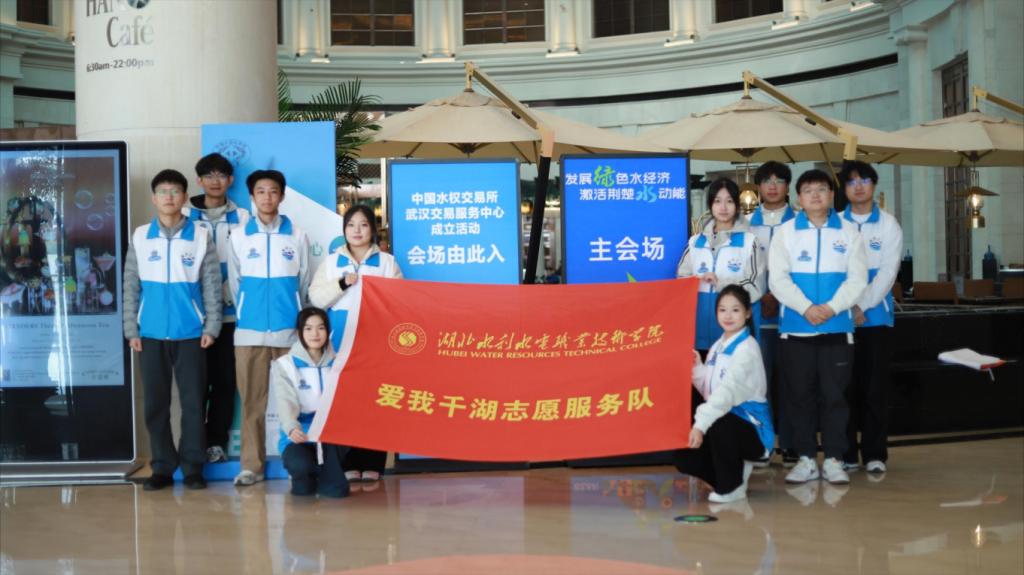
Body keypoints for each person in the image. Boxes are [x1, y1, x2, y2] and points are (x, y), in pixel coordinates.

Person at [122, 169, 222, 491]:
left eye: (175, 191)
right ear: (154, 198)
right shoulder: (140, 236)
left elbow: (211, 285)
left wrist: (212, 326)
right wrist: (131, 329)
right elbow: (130, 285)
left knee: (193, 404)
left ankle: (193, 467)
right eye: (163, 192)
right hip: (149, 334)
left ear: (184, 196)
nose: (169, 197)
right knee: (156, 404)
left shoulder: (200, 236)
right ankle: (162, 467)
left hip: (191, 333)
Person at [769, 169, 867, 486]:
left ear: (831, 195)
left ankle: (835, 459)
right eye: (808, 190)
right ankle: (806, 459)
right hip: (796, 329)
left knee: (835, 397)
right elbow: (778, 279)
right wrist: (806, 308)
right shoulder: (785, 233)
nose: (815, 195)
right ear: (798, 197)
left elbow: (857, 279)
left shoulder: (849, 232)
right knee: (800, 397)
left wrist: (831, 308)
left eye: (821, 189)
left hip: (837, 329)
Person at [228, 169, 311, 486]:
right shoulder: (239, 236)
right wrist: (246, 311)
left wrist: (295, 316)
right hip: (249, 333)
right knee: (252, 402)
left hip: (289, 332)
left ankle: (298, 463)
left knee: (297, 402)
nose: (267, 197)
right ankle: (252, 466)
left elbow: (303, 283)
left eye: (273, 191)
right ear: (252, 197)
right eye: (260, 191)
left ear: (282, 196)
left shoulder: (297, 236)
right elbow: (235, 284)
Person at [309, 204, 402, 482]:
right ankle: (348, 462)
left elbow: (400, 301)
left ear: (372, 229)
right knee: (345, 403)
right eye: (351, 225)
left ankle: (373, 462)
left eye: (363, 225)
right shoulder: (332, 262)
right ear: (344, 230)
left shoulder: (386, 262)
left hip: (375, 344)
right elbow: (316, 298)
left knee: (376, 402)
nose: (357, 230)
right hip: (340, 344)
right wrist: (341, 284)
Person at [674, 285, 774, 503]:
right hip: (728, 420)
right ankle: (726, 479)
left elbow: (726, 394)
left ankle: (733, 486)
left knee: (718, 420)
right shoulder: (718, 345)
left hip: (753, 431)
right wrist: (697, 368)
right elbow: (709, 390)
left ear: (748, 313)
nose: (728, 316)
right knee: (683, 453)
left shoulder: (747, 349)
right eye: (722, 310)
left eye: (735, 310)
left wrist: (700, 426)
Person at [183, 152, 250, 464]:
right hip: (193, 318)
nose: (215, 181)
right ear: (199, 180)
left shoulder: (243, 218)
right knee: (195, 386)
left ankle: (216, 443)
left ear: (230, 180)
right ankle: (193, 444)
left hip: (230, 316)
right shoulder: (184, 216)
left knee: (224, 383)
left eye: (221, 175)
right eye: (208, 175)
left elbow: (246, 262)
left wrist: (229, 291)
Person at [839, 161, 902, 474]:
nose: (859, 186)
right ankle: (847, 454)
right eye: (851, 182)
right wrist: (849, 307)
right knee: (844, 389)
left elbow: (888, 273)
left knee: (874, 389)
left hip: (876, 320)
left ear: (874, 185)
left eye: (864, 180)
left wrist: (861, 305)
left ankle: (875, 454)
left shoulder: (889, 225)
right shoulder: (836, 223)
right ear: (844, 189)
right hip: (841, 319)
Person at [746, 161, 798, 467]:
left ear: (788, 186)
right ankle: (762, 444)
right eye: (767, 180)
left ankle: (791, 444)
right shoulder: (745, 225)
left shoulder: (801, 222)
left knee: (793, 384)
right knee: (758, 385)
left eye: (779, 180)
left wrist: (780, 295)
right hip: (757, 317)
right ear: (758, 187)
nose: (773, 186)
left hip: (794, 317)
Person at [678, 178, 765, 352]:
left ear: (737, 206)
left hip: (734, 336)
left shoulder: (750, 242)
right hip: (697, 331)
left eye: (729, 201)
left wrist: (721, 283)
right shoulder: (695, 242)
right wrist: (697, 279)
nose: (723, 207)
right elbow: (681, 280)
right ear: (710, 205)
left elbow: (756, 287)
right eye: (717, 201)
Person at [272, 307, 351, 498]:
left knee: (337, 492)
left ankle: (328, 474)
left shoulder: (340, 362)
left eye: (320, 328)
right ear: (300, 332)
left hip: (331, 433)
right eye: (308, 328)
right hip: (301, 432)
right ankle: (307, 474)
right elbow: (285, 401)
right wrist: (291, 427)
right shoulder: (285, 364)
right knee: (302, 481)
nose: (315, 334)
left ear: (328, 331)